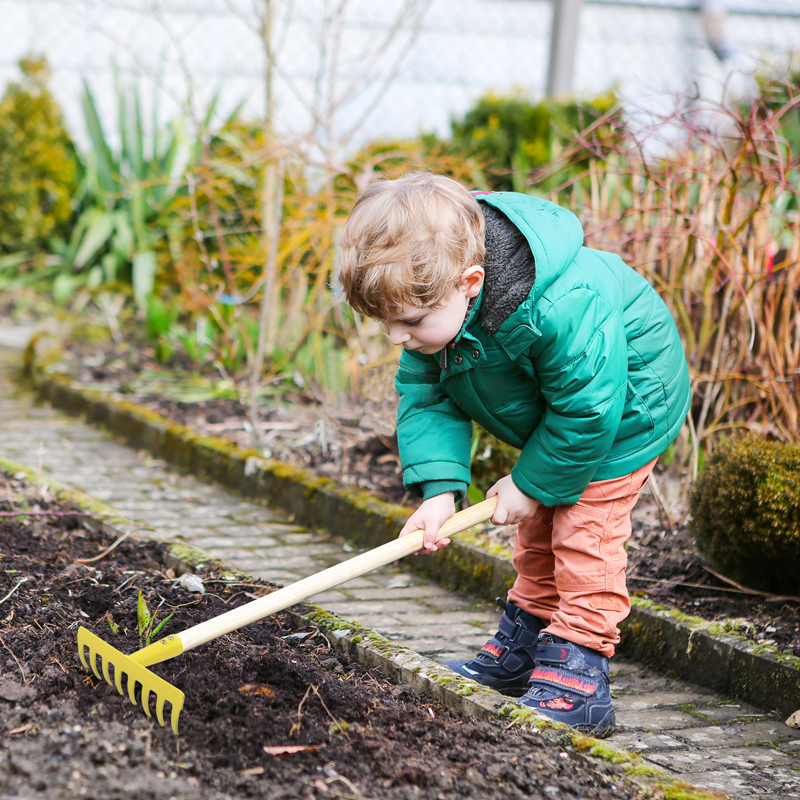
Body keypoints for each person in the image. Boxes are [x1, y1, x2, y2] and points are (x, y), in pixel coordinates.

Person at [336, 172, 691, 738]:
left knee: (582, 529)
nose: (397, 339)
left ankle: (580, 672)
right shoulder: (436, 314)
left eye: (408, 324)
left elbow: (589, 410)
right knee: (538, 524)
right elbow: (429, 399)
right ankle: (528, 642)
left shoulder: (559, 304)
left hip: (626, 408)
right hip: (564, 414)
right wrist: (440, 492)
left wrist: (527, 483)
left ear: (470, 281)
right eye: (385, 324)